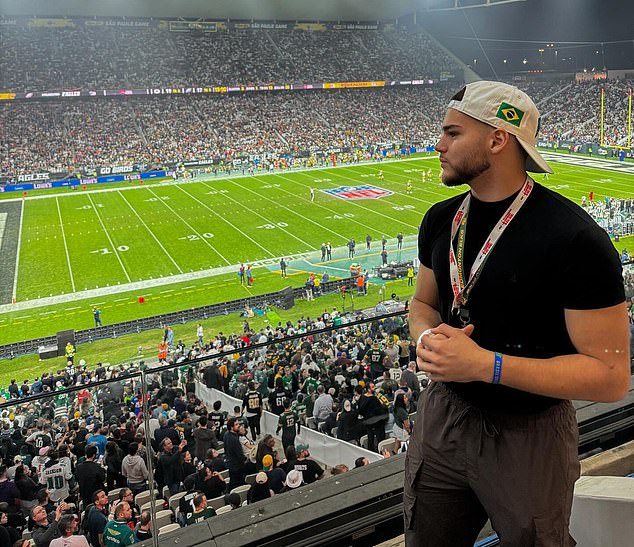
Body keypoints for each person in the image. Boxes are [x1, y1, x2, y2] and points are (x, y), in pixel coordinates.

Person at [405, 80, 630, 547]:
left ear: (497, 138)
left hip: (530, 434)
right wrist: (428, 338)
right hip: (444, 416)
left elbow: (610, 377)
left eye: (452, 133)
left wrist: (485, 365)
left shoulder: (575, 240)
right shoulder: (440, 219)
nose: (438, 145)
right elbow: (422, 303)